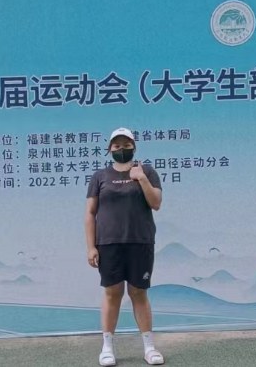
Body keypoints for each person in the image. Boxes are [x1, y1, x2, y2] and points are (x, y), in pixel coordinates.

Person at [85, 128, 165, 366]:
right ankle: (107, 348)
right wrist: (91, 247)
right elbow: (90, 213)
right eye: (117, 145)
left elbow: (156, 203)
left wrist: (141, 178)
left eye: (126, 144)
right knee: (113, 294)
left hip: (140, 241)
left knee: (139, 293)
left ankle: (149, 348)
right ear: (109, 149)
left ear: (134, 147)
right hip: (109, 243)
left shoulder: (147, 171)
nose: (121, 149)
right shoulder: (100, 176)